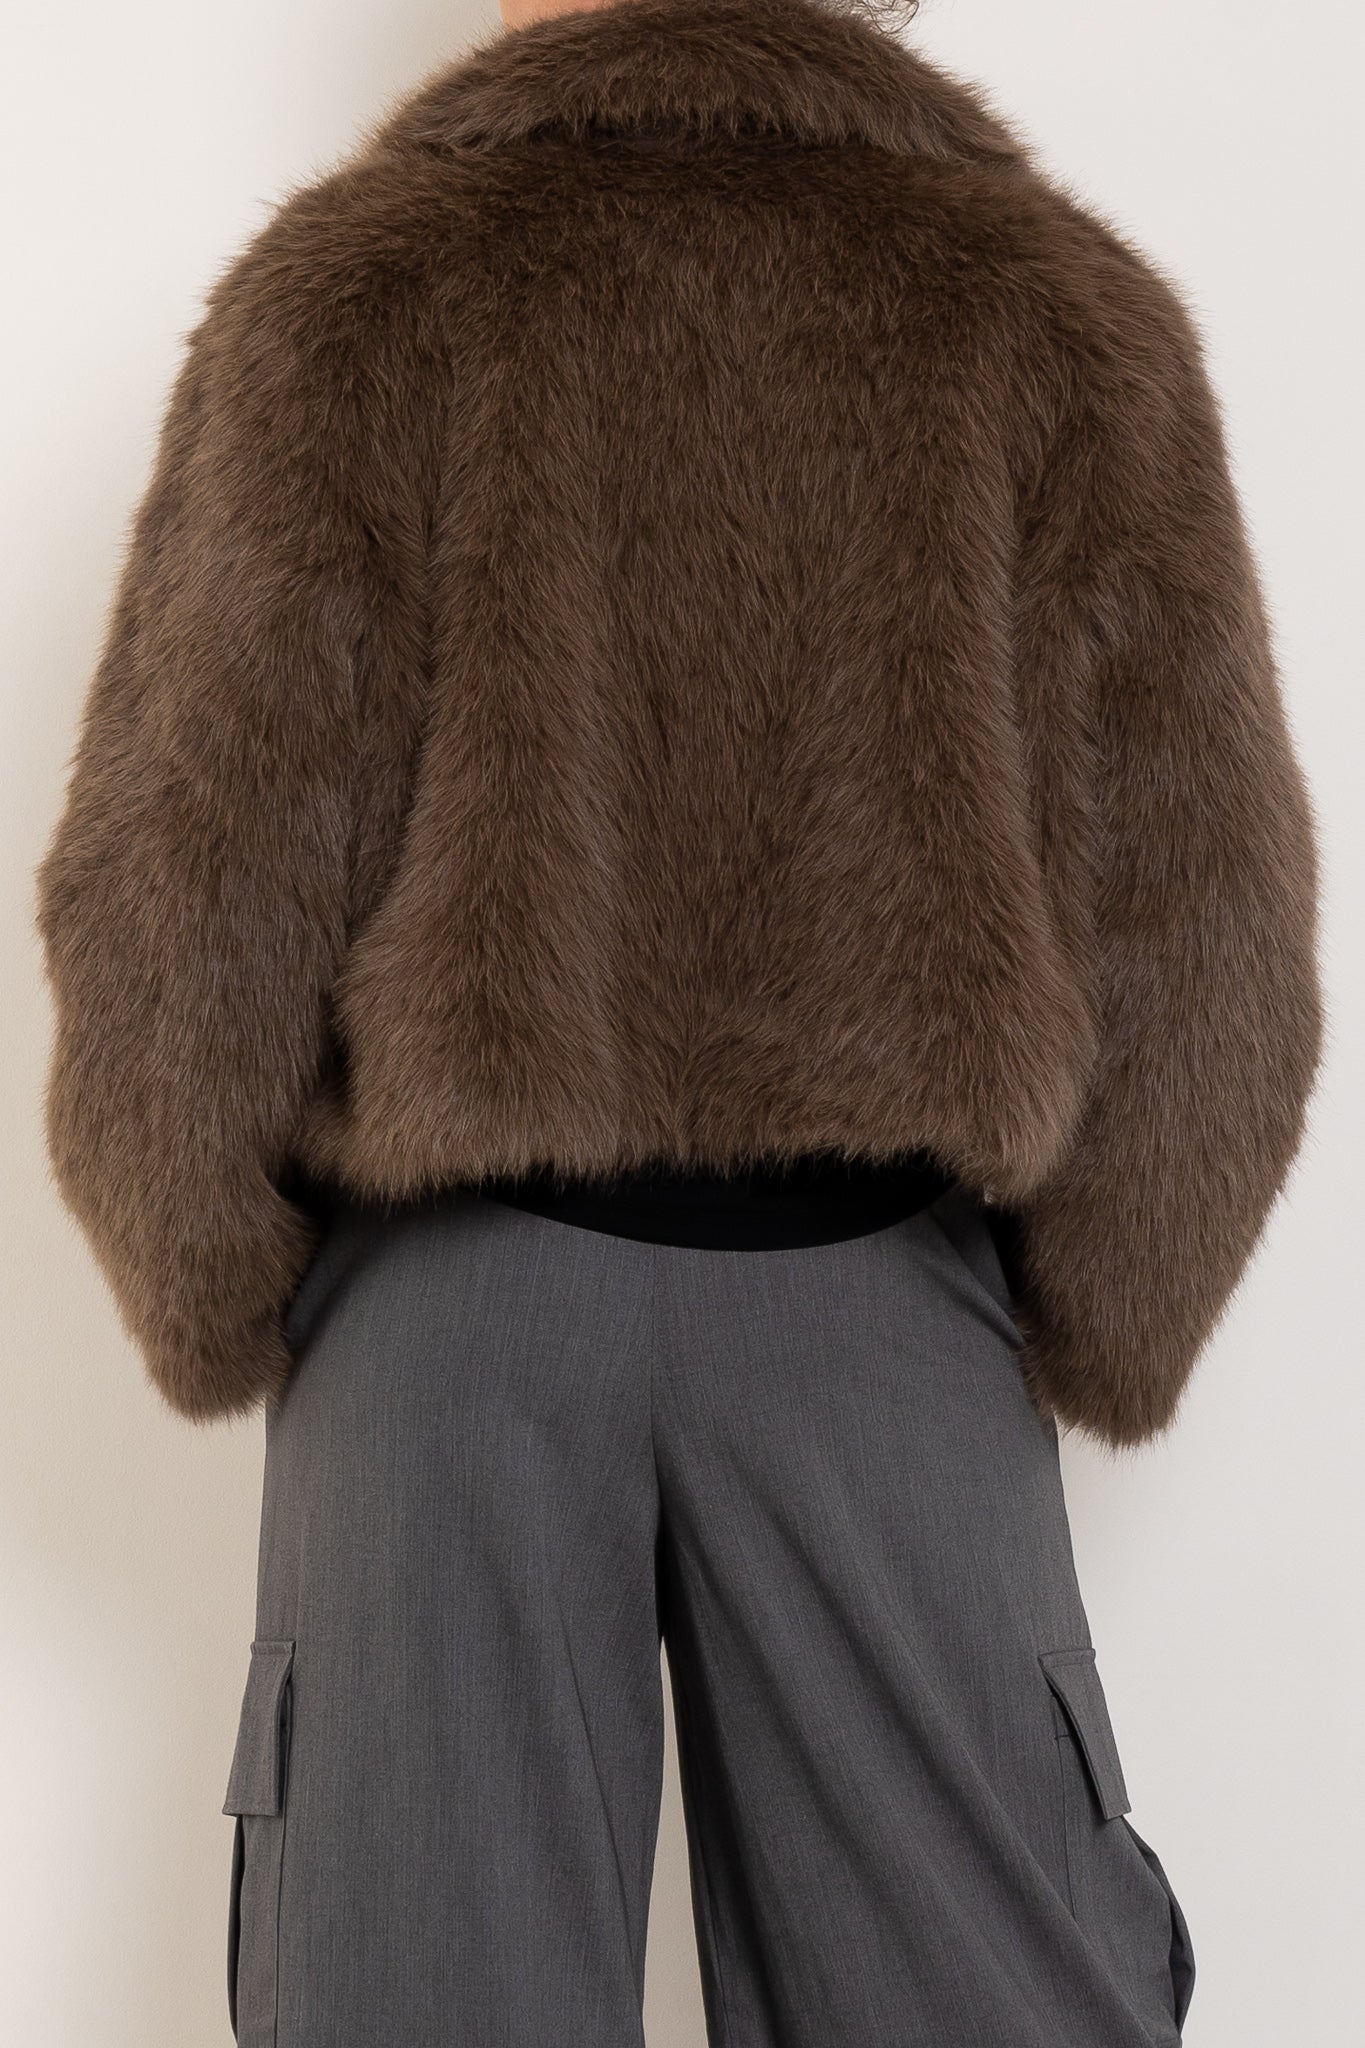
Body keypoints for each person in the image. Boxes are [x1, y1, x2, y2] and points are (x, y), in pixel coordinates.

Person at [36, 0, 1321, 2040]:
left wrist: (213, 1283)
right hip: (876, 1318)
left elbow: (178, 889)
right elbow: (1203, 923)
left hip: (447, 1338)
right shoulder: (1054, 315)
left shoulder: (353, 299)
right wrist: (1103, 1314)